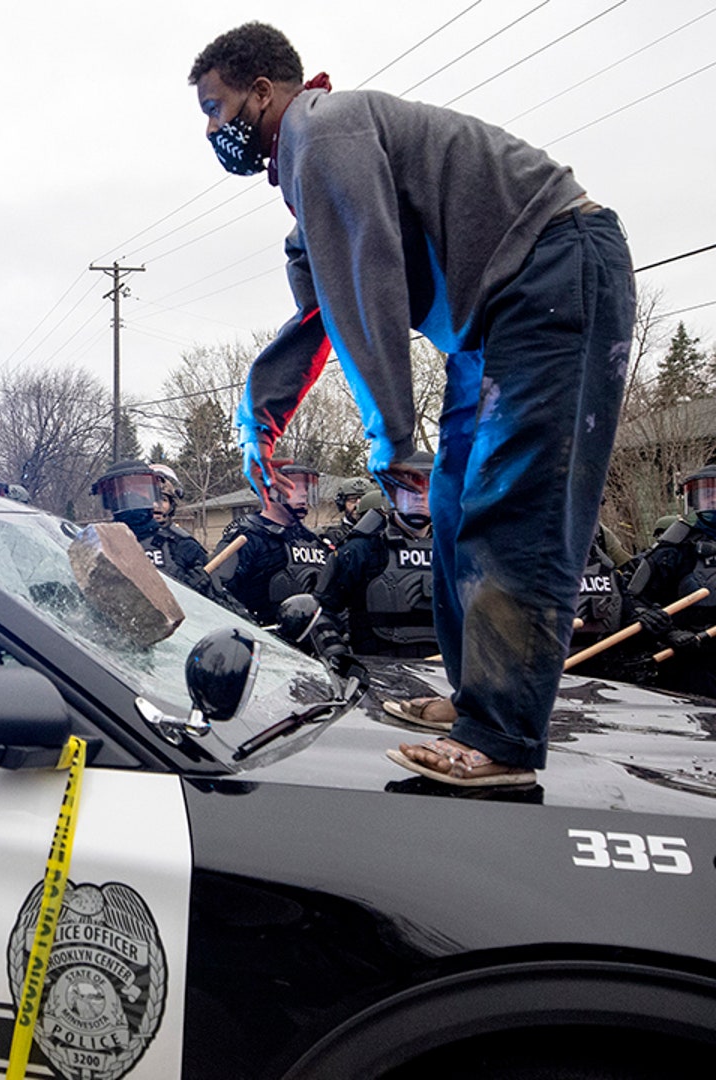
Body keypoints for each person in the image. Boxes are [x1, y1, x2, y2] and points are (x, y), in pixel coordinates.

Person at [190, 23, 635, 786]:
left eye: (215, 105)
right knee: (459, 508)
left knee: (515, 505)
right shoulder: (310, 179)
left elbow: (369, 276)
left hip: (555, 272)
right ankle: (477, 706)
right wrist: (259, 416)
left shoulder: (322, 127)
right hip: (496, 316)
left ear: (263, 92)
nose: (211, 128)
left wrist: (392, 435)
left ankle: (502, 741)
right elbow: (325, 310)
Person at [317, 458, 437, 662]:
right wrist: (339, 657)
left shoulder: (457, 554)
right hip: (381, 681)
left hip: (448, 682)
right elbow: (321, 612)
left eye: (427, 489)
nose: (419, 498)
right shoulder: (359, 550)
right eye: (410, 490)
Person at [622, 462, 716, 699]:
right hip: (689, 660)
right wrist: (669, 633)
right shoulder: (673, 550)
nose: (713, 503)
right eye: (708, 496)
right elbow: (634, 599)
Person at [92, 459, 238, 609]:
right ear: (108, 499)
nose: (131, 497)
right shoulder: (98, 545)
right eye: (122, 492)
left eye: (140, 489)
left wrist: (204, 592)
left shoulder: (181, 545)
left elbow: (226, 608)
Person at [210, 462, 329, 625]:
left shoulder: (313, 540)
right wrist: (249, 625)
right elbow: (216, 589)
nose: (303, 495)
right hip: (265, 639)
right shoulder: (246, 537)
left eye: (306, 489)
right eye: (294, 487)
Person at [321, 477, 371, 551]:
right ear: (342, 503)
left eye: (365, 500)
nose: (358, 506)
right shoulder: (331, 536)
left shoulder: (383, 533)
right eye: (352, 500)